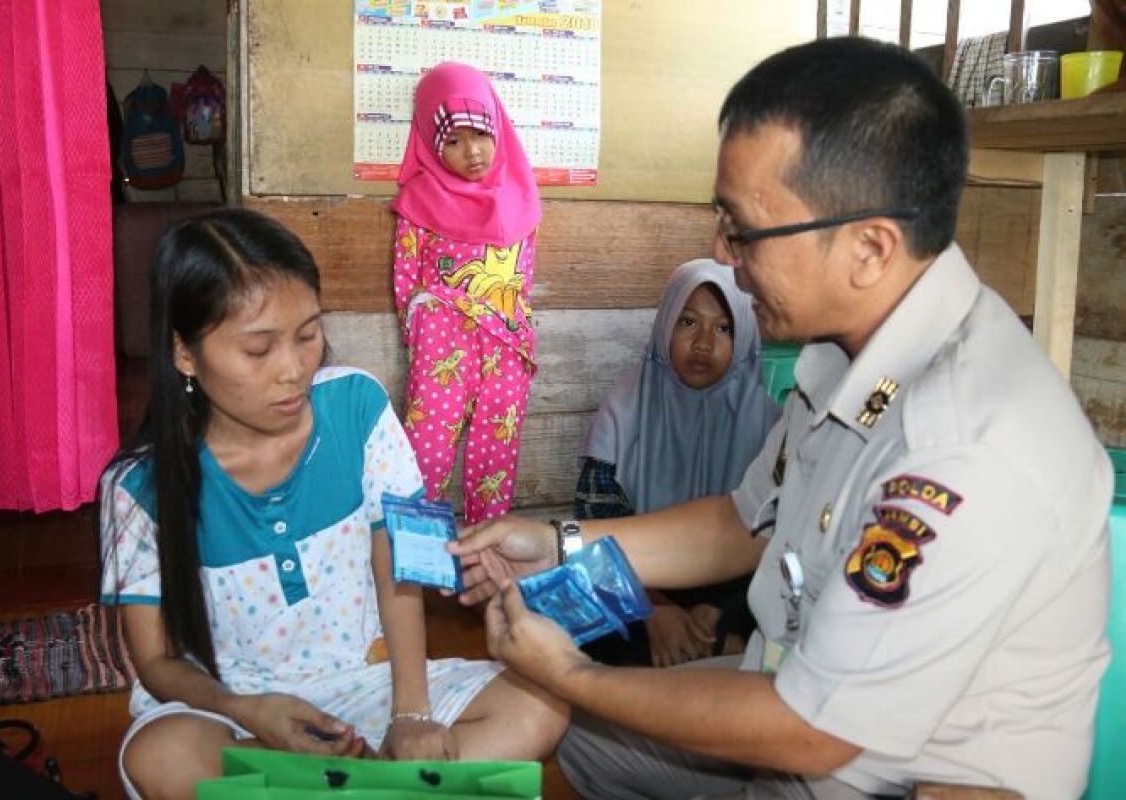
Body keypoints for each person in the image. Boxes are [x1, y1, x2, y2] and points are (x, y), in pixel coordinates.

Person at [452, 37, 1112, 799]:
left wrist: (571, 671)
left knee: (566, 704)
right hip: (784, 699)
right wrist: (561, 544)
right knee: (563, 743)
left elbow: (811, 728)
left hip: (883, 775)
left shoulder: (968, 443)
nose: (724, 257)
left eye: (743, 231)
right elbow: (740, 522)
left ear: (869, 248)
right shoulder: (846, 358)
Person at [98, 208, 566, 800]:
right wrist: (251, 709)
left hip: (365, 684)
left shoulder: (356, 406)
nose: (293, 370)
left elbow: (398, 563)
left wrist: (413, 712)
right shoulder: (138, 488)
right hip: (236, 708)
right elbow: (159, 662)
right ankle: (391, 789)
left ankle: (331, 788)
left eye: (307, 334)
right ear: (185, 354)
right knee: (163, 756)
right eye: (258, 349)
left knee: (542, 702)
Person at [576, 259, 779, 667]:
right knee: (582, 618)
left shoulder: (768, 421)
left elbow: (779, 534)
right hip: (642, 582)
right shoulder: (625, 408)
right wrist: (655, 611)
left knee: (780, 610)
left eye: (724, 328)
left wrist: (718, 612)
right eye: (688, 322)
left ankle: (712, 647)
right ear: (665, 324)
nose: (704, 343)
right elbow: (595, 529)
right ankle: (711, 655)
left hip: (732, 590)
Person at [390, 61, 541, 525]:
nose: (471, 152)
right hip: (442, 337)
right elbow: (405, 274)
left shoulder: (520, 198)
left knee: (497, 452)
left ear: (498, 128)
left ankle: (486, 552)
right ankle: (418, 557)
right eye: (452, 141)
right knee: (427, 444)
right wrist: (421, 324)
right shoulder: (419, 198)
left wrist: (513, 325)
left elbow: (524, 275)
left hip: (506, 341)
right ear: (432, 145)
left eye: (480, 134)